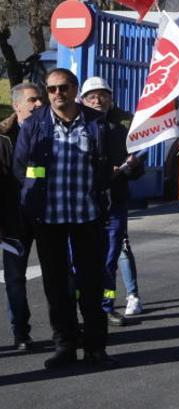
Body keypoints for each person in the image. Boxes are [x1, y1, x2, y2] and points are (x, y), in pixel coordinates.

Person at [14, 68, 124, 368]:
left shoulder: (97, 124)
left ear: (75, 89)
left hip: (87, 217)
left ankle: (95, 348)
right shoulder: (34, 126)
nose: (57, 94)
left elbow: (112, 163)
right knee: (57, 288)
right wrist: (32, 196)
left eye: (63, 88)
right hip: (49, 220)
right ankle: (64, 346)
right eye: (51, 89)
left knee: (91, 285)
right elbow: (22, 167)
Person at [79, 76, 145, 327]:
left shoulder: (124, 124)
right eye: (91, 96)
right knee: (81, 259)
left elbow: (138, 168)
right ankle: (83, 308)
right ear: (83, 100)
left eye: (102, 95)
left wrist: (128, 168)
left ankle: (106, 306)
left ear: (111, 97)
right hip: (83, 203)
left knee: (110, 258)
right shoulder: (75, 123)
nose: (97, 100)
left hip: (115, 202)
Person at [1, 81, 43, 350]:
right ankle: (21, 333)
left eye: (40, 99)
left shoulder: (51, 130)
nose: (39, 104)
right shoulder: (3, 138)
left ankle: (68, 329)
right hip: (13, 222)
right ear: (17, 106)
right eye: (33, 100)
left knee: (60, 275)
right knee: (15, 279)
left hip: (47, 216)